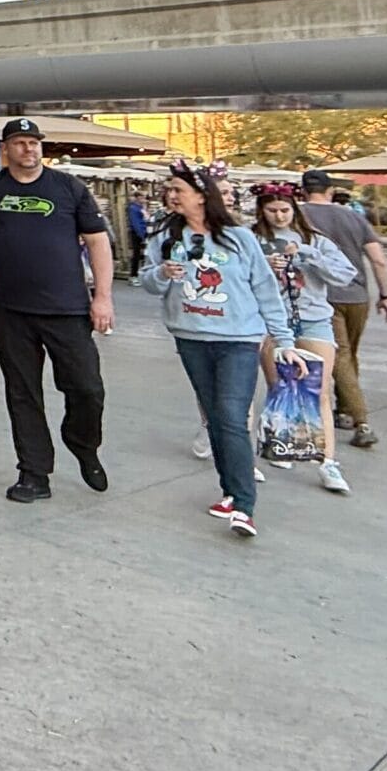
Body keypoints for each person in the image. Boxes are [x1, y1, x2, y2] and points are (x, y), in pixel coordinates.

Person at [0, 117, 115, 504]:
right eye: (19, 143)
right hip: (10, 310)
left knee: (87, 389)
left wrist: (102, 297)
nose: (28, 149)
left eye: (34, 142)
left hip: (67, 309)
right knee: (22, 392)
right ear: (6, 149)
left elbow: (98, 242)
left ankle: (82, 442)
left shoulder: (68, 188)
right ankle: (34, 473)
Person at [138, 162, 288, 539]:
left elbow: (265, 287)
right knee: (216, 419)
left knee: (231, 416)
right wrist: (161, 275)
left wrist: (284, 341)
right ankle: (229, 490)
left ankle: (244, 505)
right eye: (168, 189)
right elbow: (148, 281)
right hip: (191, 338)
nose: (171, 195)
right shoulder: (166, 237)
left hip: (238, 339)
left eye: (178, 189)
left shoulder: (239, 237)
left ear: (202, 196)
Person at [252, 185, 357, 493]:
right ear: (262, 211)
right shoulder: (254, 240)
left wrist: (308, 255)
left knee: (318, 389)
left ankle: (328, 461)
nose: (279, 216)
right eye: (272, 211)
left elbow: (344, 274)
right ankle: (282, 443)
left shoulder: (316, 240)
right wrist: (265, 267)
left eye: (285, 210)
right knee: (279, 386)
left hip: (313, 318)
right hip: (272, 320)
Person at [299, 168, 387, 448]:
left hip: (323, 295)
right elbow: (378, 259)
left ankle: (361, 420)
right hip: (357, 295)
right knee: (349, 353)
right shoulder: (354, 216)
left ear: (303, 190)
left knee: (339, 356)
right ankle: (345, 410)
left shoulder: (299, 215)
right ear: (329, 191)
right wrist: (386, 293)